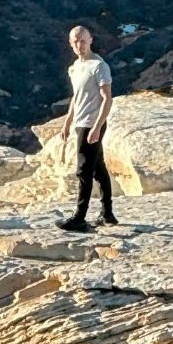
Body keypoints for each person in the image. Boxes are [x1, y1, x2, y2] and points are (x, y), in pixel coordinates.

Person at [58, 25, 116, 232]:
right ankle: (107, 214)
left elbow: (107, 99)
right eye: (75, 41)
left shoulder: (99, 66)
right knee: (98, 169)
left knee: (83, 171)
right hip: (81, 123)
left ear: (91, 40)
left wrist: (97, 127)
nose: (78, 45)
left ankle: (79, 217)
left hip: (92, 124)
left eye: (82, 40)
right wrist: (67, 122)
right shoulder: (75, 67)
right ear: (70, 43)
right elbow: (76, 97)